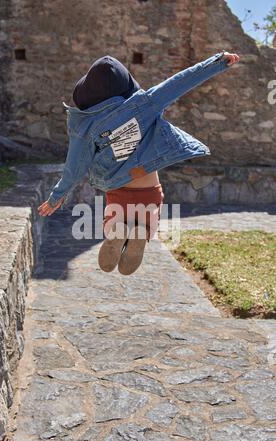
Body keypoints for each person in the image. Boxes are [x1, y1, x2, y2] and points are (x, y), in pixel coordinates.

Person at [38, 52, 240, 275]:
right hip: (148, 189)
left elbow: (74, 166)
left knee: (113, 224)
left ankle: (116, 230)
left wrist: (57, 196)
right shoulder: (145, 104)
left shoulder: (85, 126)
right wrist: (218, 63)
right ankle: (142, 233)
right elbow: (180, 82)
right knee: (148, 223)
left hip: (117, 190)